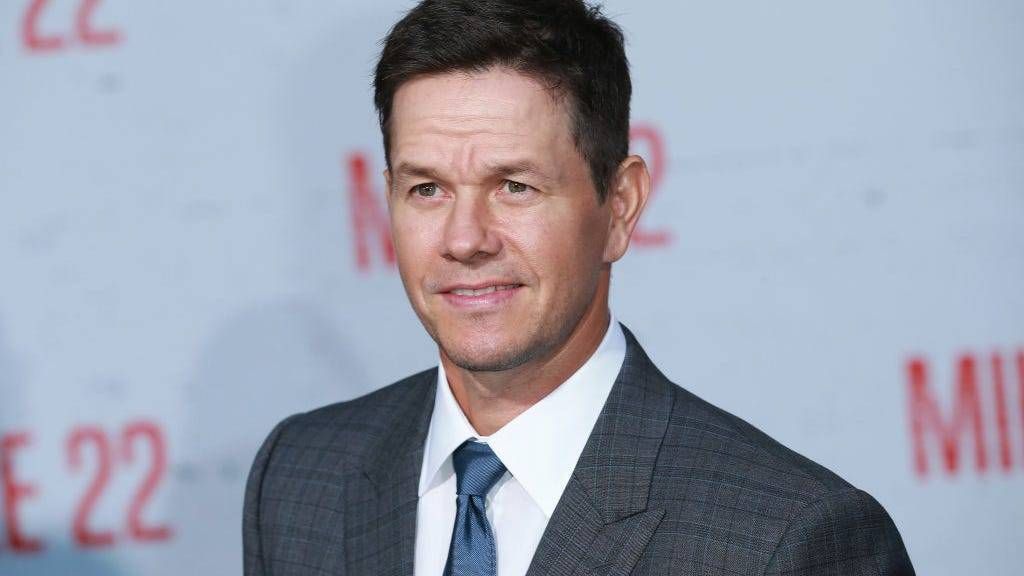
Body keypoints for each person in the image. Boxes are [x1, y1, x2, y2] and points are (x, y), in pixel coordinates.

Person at [243, 1, 915, 574]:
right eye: (427, 189)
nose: (464, 239)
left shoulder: (788, 540)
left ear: (619, 207)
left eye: (515, 186)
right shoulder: (299, 479)